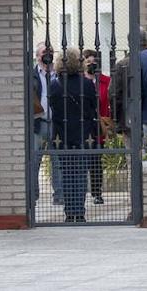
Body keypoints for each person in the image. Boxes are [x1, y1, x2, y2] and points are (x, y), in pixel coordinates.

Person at [48, 48, 99, 223]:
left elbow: (53, 109)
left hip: (62, 134)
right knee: (81, 173)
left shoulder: (55, 85)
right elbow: (94, 106)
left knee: (67, 173)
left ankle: (69, 212)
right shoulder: (86, 84)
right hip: (84, 134)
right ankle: (80, 211)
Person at [30, 42, 60, 205]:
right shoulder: (32, 75)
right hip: (38, 123)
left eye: (50, 52)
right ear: (37, 56)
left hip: (56, 123)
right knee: (35, 160)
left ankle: (59, 196)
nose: (47, 55)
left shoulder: (59, 73)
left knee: (57, 161)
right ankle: (32, 196)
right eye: (43, 52)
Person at [83, 49, 111, 205]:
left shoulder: (105, 81)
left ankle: (96, 192)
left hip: (99, 125)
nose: (91, 65)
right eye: (88, 62)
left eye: (94, 62)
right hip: (83, 125)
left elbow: (109, 100)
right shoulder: (79, 80)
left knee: (96, 161)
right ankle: (79, 193)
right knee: (82, 160)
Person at [109, 29, 147, 140]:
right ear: (146, 41)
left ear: (129, 43)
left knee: (132, 154)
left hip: (130, 118)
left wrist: (117, 118)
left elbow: (113, 94)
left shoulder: (123, 64)